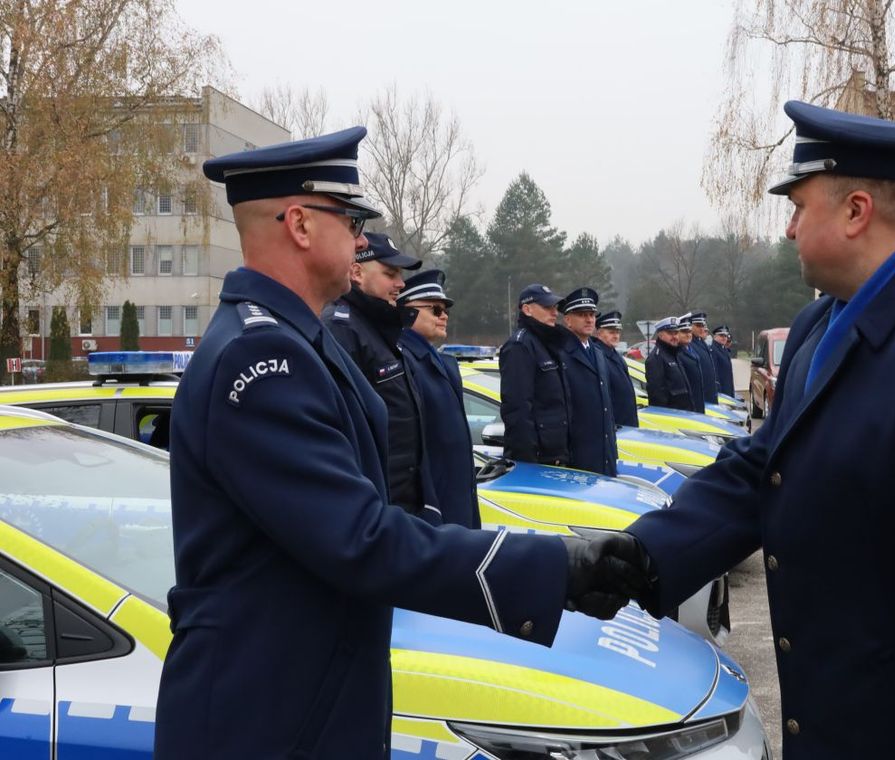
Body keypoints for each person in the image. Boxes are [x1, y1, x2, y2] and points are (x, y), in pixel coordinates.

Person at [578, 102, 895, 758]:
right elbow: (764, 469)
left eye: (799, 206)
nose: (790, 227)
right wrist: (638, 559)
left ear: (856, 211)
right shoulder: (824, 326)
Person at [154, 128, 642, 759]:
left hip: (301, 697)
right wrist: (553, 567)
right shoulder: (262, 356)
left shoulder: (297, 339)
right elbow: (359, 538)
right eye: (351, 220)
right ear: (300, 224)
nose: (361, 241)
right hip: (265, 715)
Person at [323, 231, 438, 521]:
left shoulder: (379, 327)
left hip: (401, 508)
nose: (401, 284)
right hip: (374, 512)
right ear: (356, 272)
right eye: (390, 273)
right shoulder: (342, 329)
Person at [396, 269, 480, 528]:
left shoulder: (440, 362)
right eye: (435, 309)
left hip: (457, 504)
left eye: (445, 310)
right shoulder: (402, 361)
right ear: (408, 311)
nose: (444, 316)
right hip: (433, 513)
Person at [499, 283, 572, 466]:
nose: (555, 312)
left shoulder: (547, 343)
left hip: (556, 454)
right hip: (538, 458)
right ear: (527, 309)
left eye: (555, 307)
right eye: (547, 307)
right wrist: (527, 461)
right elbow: (517, 409)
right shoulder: (520, 346)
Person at [555, 287, 618, 476]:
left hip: (604, 452)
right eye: (582, 315)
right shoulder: (560, 353)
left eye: (591, 315)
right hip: (579, 454)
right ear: (568, 320)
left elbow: (606, 406)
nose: (589, 320)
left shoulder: (597, 352)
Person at [594, 310, 640, 428]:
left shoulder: (614, 354)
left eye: (618, 332)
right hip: (615, 425)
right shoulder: (598, 356)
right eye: (611, 332)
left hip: (626, 422)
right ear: (599, 334)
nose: (616, 336)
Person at [644, 317, 695, 411]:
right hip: (672, 415)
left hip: (684, 413)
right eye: (670, 333)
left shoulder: (674, 354)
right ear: (660, 335)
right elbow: (657, 395)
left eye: (676, 333)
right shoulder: (656, 358)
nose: (674, 337)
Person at [688, 312, 721, 405]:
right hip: (701, 396)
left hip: (710, 394)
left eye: (703, 325)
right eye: (698, 325)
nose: (702, 328)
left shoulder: (701, 342)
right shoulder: (690, 344)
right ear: (690, 326)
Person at [675, 313, 706, 413]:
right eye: (684, 332)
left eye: (689, 331)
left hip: (698, 403)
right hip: (688, 407)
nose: (688, 335)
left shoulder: (690, 349)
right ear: (676, 334)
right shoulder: (677, 353)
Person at [710, 324, 736, 397]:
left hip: (727, 389)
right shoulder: (713, 350)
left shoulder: (724, 349)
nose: (724, 338)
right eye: (721, 336)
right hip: (721, 390)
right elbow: (715, 373)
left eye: (725, 336)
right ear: (715, 336)